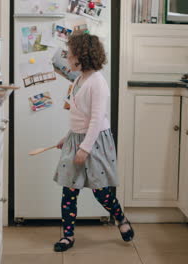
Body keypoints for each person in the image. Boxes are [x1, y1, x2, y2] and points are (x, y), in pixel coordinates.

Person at [53, 33, 134, 252]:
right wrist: (68, 138)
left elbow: (97, 120)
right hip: (77, 138)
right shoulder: (79, 78)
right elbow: (79, 115)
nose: (67, 56)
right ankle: (68, 237)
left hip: (95, 141)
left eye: (70, 53)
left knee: (101, 192)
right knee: (69, 191)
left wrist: (85, 148)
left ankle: (120, 218)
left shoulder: (98, 82)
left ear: (81, 55)